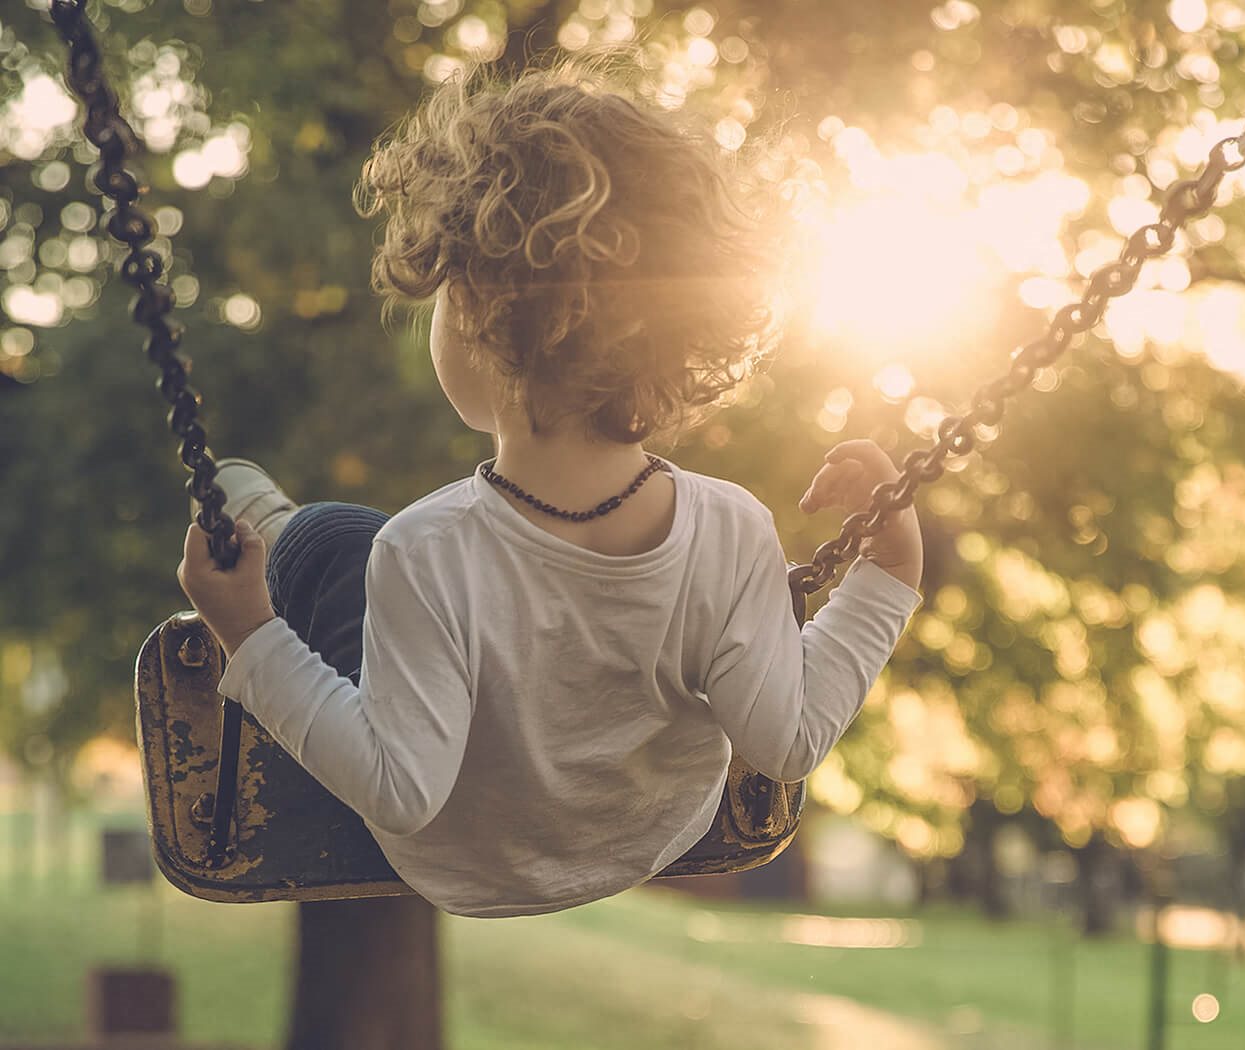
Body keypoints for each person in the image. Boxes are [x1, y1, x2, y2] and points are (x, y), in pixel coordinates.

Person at [175, 60, 923, 918]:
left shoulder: (422, 552)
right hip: (650, 837)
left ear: (484, 312)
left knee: (333, 541)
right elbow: (788, 743)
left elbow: (400, 791)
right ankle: (280, 531)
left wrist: (250, 633)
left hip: (462, 859)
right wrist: (887, 578)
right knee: (365, 555)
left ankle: (278, 533)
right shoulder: (733, 530)